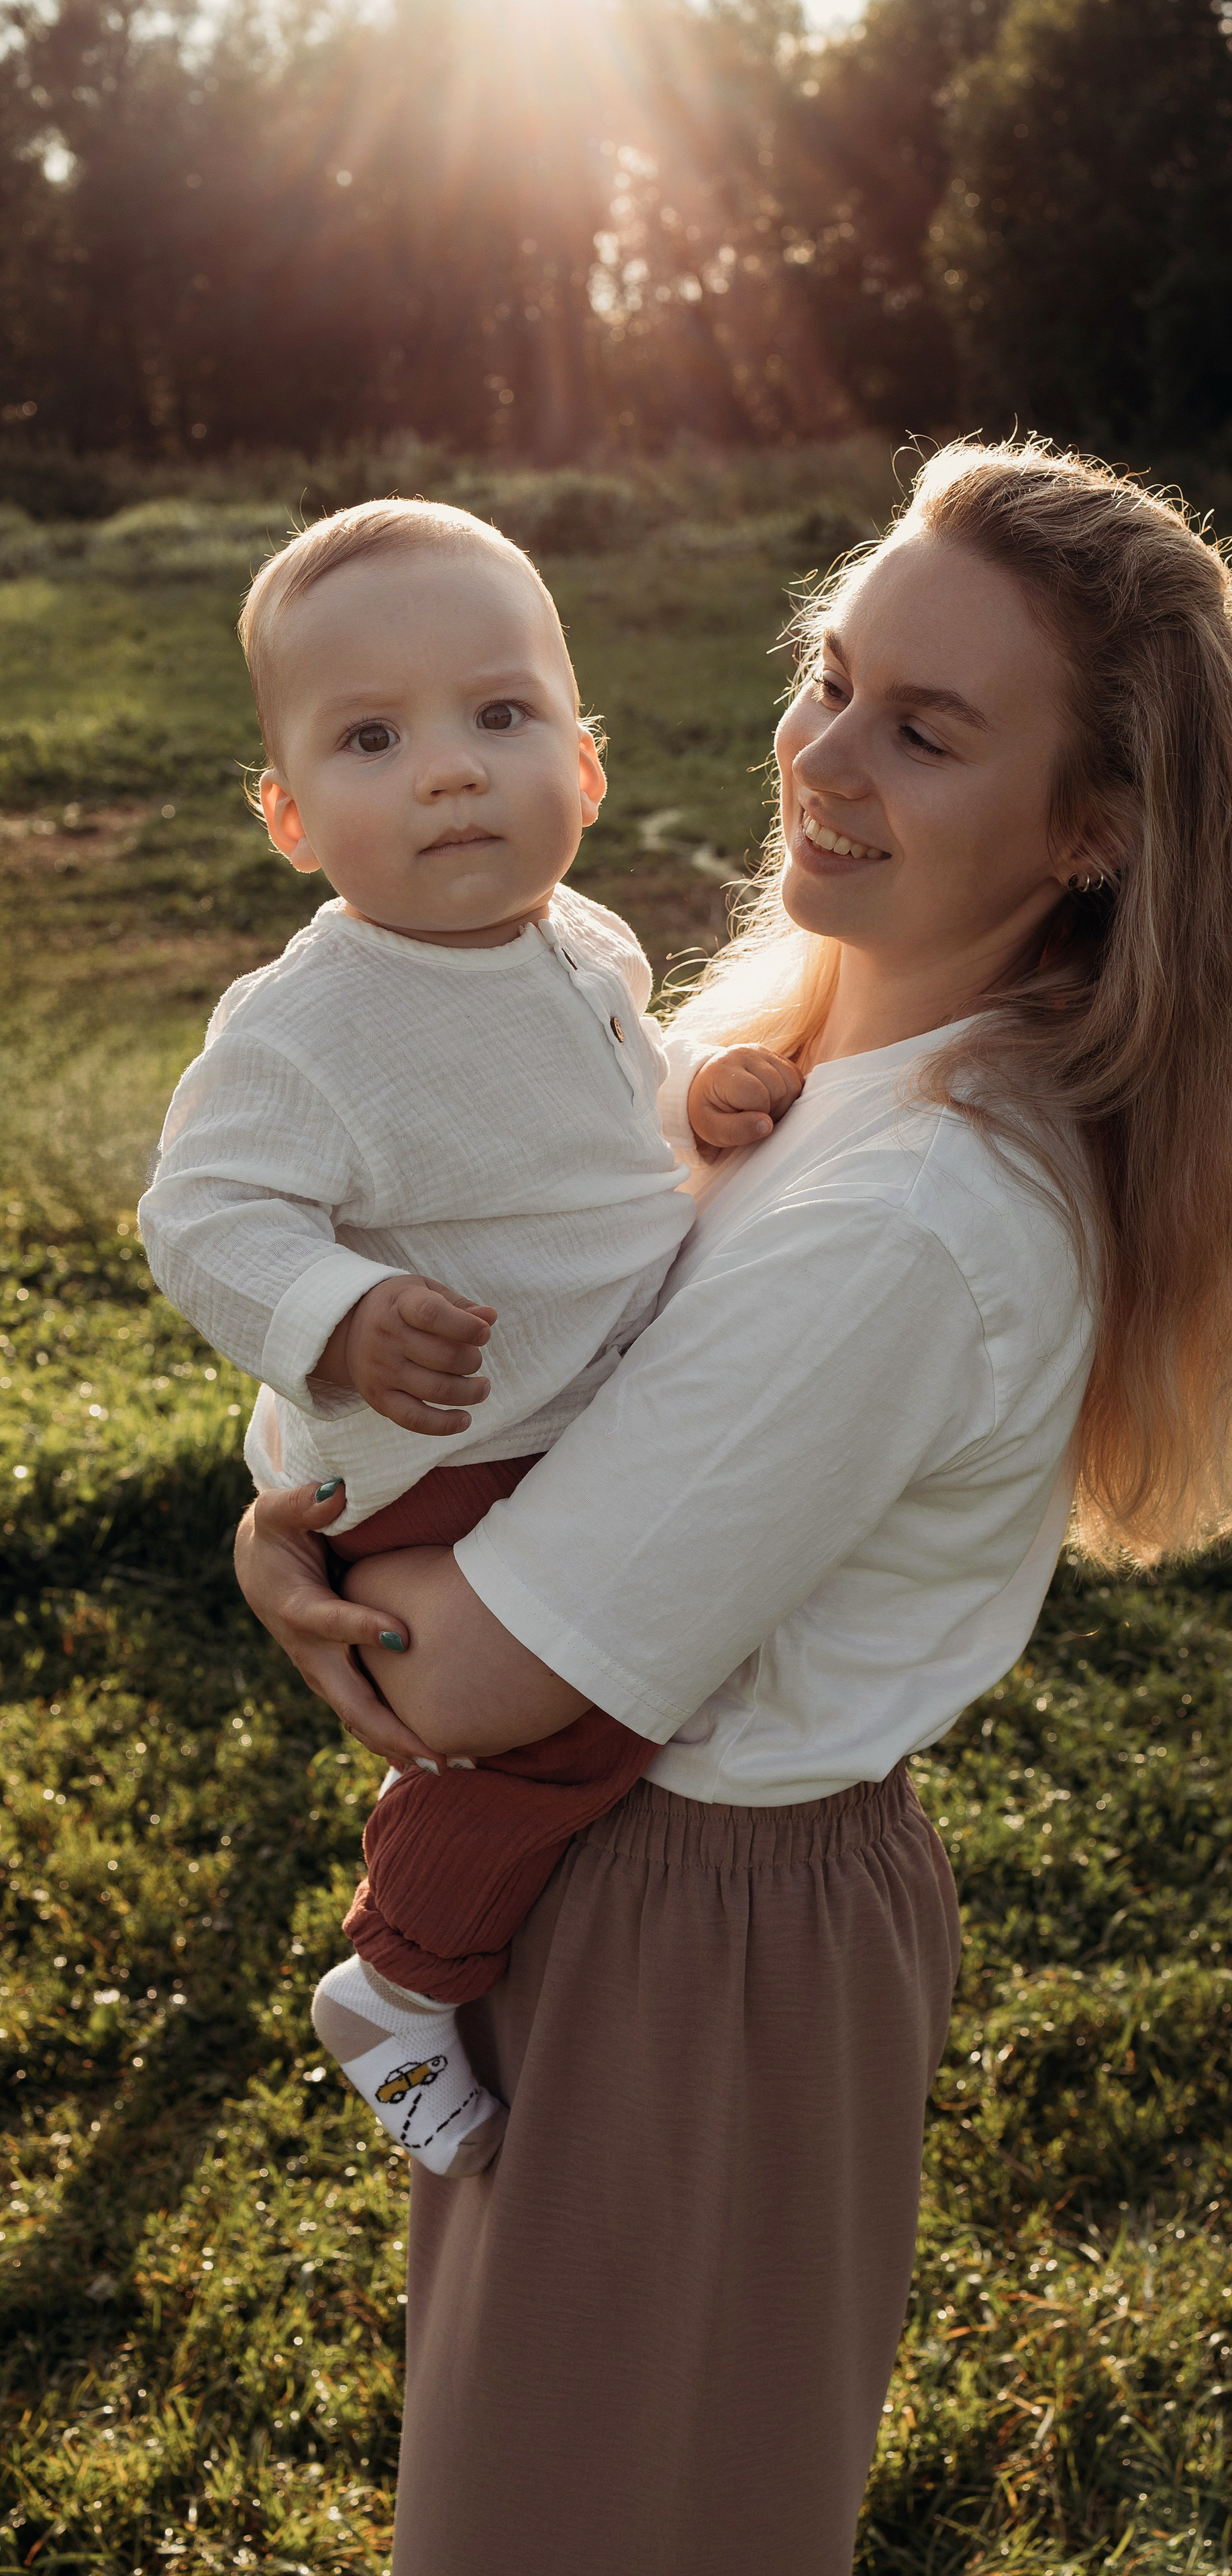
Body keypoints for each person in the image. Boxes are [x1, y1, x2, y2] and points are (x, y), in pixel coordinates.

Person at [235, 437, 1232, 2576]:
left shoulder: (917, 1210)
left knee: (592, 2527)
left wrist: (319, 1558)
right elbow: (469, 1351)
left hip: (695, 1938)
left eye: (924, 731)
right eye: (833, 675)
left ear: (1099, 827)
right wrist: (275, 1519)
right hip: (618, 1897)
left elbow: (457, 1677)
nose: (823, 754)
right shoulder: (790, 1071)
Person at [139, 498, 801, 2176]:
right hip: (440, 1452)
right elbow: (201, 1219)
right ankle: (401, 1974)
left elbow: (587, 1108)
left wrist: (687, 1096)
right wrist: (342, 1317)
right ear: (289, 819)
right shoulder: (312, 1023)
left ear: (580, 769)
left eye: (497, 717)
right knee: (577, 1703)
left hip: (552, 1411)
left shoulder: (581, 942)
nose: (448, 770)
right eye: (372, 738)